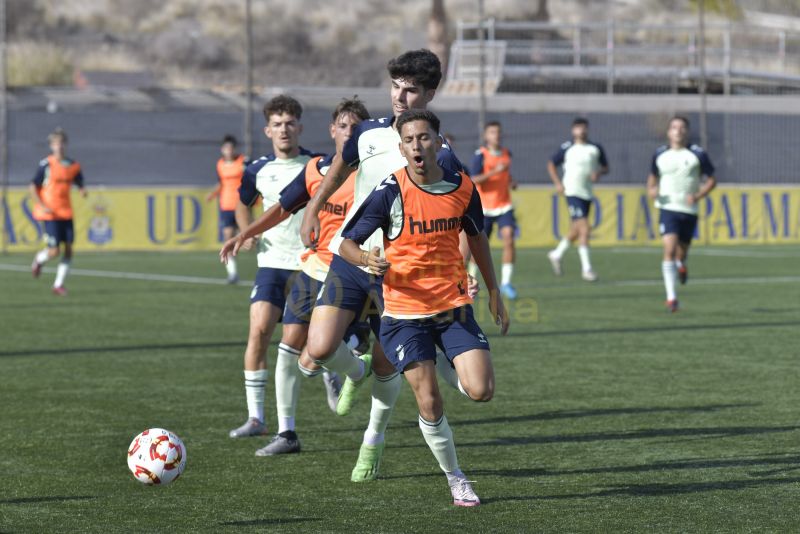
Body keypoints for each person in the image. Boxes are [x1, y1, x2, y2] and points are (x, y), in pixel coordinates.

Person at [298, 49, 471, 483]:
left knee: (386, 365)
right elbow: (339, 168)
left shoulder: (442, 153)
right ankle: (350, 372)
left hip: (399, 273)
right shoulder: (369, 131)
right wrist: (313, 208)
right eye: (396, 85)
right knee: (318, 348)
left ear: (430, 93)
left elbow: (460, 214)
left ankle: (371, 443)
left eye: (411, 88)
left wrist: (462, 268)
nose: (400, 95)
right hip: (353, 259)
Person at [339, 109, 509, 507]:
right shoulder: (390, 191)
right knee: (429, 400)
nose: (418, 146)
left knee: (481, 391)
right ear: (402, 147)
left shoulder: (462, 187)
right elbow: (347, 243)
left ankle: (443, 358)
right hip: (403, 314)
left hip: (452, 306)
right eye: (410, 140)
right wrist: (367, 260)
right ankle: (456, 479)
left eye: (424, 138)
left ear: (439, 140)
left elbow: (477, 237)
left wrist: (494, 290)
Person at [220, 97, 371, 454]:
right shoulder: (316, 169)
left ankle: (353, 364)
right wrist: (245, 233)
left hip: (352, 270)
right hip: (310, 266)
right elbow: (282, 207)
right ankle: (286, 433)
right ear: (332, 130)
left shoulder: (376, 173)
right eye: (343, 126)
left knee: (315, 355)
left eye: (356, 127)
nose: (349, 133)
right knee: (290, 349)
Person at [227, 95, 319, 452]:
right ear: (268, 130)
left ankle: (330, 370)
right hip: (271, 265)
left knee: (304, 345)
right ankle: (255, 418)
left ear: (299, 127)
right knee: (259, 331)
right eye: (277, 124)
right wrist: (246, 232)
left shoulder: (315, 165)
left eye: (290, 123)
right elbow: (241, 203)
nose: (284, 129)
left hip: (309, 264)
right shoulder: (256, 169)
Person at [647, 116, 716, 312]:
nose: (678, 131)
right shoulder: (660, 154)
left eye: (682, 127)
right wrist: (652, 191)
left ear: (687, 131)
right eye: (674, 127)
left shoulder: (697, 154)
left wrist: (698, 195)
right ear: (668, 132)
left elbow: (712, 180)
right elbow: (651, 181)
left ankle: (681, 263)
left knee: (681, 251)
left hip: (689, 210)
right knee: (668, 249)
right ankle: (671, 297)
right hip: (667, 208)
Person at [546, 117, 609, 282]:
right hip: (571, 191)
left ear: (587, 129)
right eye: (578, 128)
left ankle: (557, 253)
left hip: (586, 193)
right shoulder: (567, 147)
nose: (581, 131)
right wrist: (558, 183)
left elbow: (606, 167)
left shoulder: (595, 148)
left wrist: (599, 173)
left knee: (577, 229)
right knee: (585, 227)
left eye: (583, 128)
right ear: (573, 130)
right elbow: (551, 164)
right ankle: (586, 269)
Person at [30, 128, 87, 296]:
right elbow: (33, 186)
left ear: (65, 145)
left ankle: (58, 285)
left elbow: (79, 180)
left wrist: (82, 189)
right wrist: (40, 204)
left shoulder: (73, 165)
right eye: (56, 144)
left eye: (61, 143)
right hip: (50, 213)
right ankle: (39, 260)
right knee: (54, 251)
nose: (59, 146)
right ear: (51, 146)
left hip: (66, 212)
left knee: (69, 249)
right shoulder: (46, 165)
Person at [468, 121, 518, 299]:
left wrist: (511, 181)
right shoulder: (480, 155)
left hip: (504, 205)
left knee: (509, 238)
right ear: (486, 136)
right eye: (492, 132)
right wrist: (493, 172)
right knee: (479, 247)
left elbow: (506, 174)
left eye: (498, 132)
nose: (496, 135)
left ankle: (506, 283)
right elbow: (474, 179)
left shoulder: (506, 154)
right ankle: (471, 280)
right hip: (484, 208)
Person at [207, 135, 247, 284]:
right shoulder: (220, 164)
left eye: (231, 148)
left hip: (242, 205)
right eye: (226, 148)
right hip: (226, 205)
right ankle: (232, 273)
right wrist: (213, 194)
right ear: (222, 150)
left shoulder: (243, 162)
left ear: (234, 149)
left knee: (248, 240)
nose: (228, 151)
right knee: (228, 239)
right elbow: (221, 184)